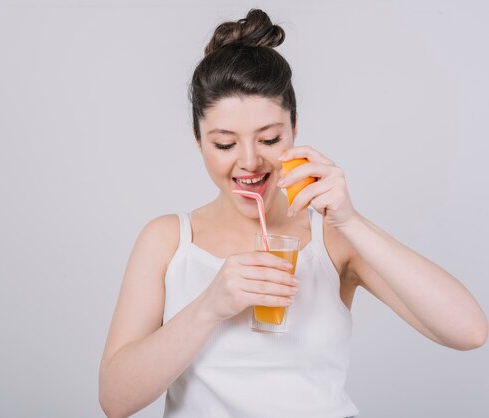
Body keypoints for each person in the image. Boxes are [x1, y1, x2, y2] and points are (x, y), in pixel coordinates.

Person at [98, 9, 488, 418]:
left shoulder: (334, 239)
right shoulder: (168, 241)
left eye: (269, 138)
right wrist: (209, 306)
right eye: (225, 144)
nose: (249, 161)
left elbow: (469, 331)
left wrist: (351, 222)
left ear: (294, 129)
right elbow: (115, 400)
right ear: (199, 142)